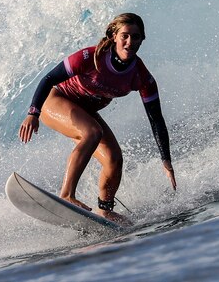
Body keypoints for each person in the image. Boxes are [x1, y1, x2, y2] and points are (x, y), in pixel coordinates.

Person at [18, 12, 176, 222]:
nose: (130, 42)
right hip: (55, 101)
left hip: (85, 113)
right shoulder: (90, 57)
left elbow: (156, 119)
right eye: (125, 36)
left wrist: (166, 161)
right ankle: (66, 195)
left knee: (114, 159)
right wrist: (33, 113)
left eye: (136, 37)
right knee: (92, 132)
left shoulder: (142, 77)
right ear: (114, 36)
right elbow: (49, 78)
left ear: (142, 40)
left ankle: (105, 209)